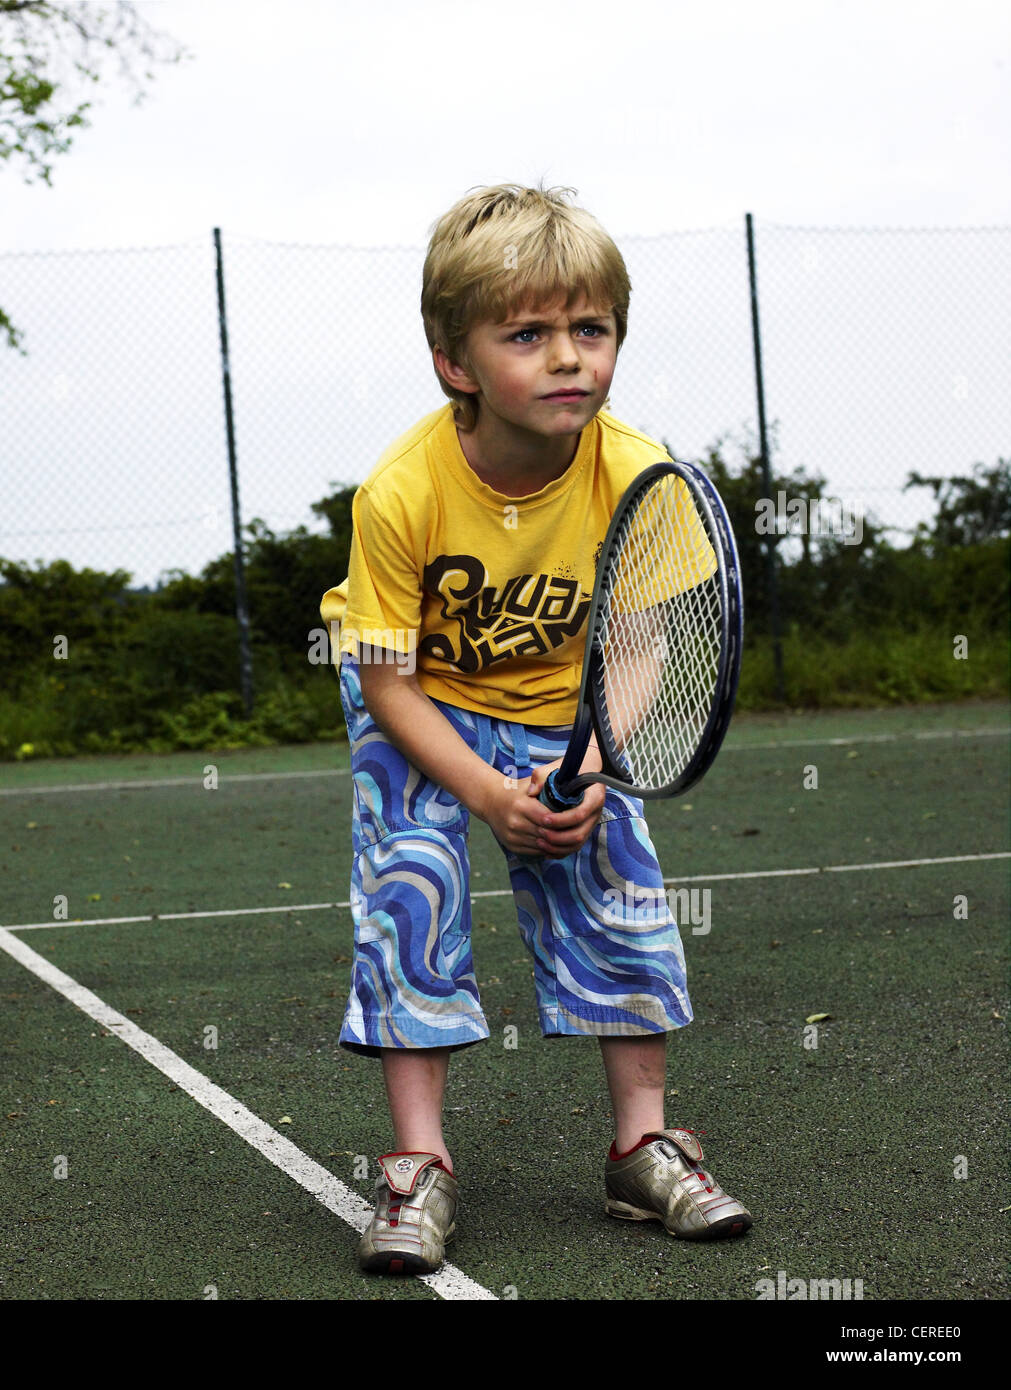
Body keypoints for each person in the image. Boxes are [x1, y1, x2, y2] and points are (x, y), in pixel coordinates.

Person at [319, 183, 752, 1276]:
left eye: (590, 329)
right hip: (415, 693)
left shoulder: (637, 473)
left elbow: (647, 640)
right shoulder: (400, 491)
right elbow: (386, 682)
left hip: (573, 698)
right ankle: (419, 1166)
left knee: (616, 878)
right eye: (528, 334)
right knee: (412, 883)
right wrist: (485, 792)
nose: (570, 358)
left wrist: (596, 762)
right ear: (454, 361)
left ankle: (643, 1147)